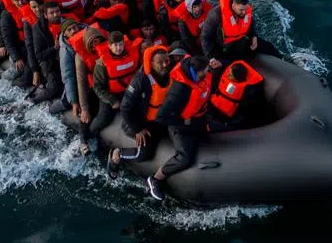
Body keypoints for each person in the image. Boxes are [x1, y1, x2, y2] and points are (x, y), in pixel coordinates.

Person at [146, 55, 213, 200]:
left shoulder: (201, 74)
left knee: (212, 131)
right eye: (206, 69)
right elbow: (161, 116)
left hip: (198, 119)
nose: (209, 71)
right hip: (181, 127)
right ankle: (155, 179)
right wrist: (184, 122)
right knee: (185, 158)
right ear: (198, 71)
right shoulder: (180, 90)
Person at [106, 44, 172, 178]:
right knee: (144, 154)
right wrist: (137, 129)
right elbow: (125, 107)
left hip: (157, 119)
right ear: (151, 63)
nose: (165, 65)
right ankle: (116, 154)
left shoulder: (168, 75)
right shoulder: (140, 80)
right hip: (137, 123)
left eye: (166, 61)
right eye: (160, 62)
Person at [84, 31, 142, 146]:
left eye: (120, 44)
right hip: (110, 94)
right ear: (109, 46)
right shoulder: (101, 64)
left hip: (129, 92)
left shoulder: (132, 54)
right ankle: (88, 135)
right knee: (104, 118)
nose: (118, 48)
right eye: (115, 45)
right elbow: (98, 87)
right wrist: (112, 100)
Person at [199, 0, 279, 64]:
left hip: (243, 39)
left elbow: (250, 22)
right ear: (233, 6)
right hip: (225, 47)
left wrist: (254, 36)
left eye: (245, 9)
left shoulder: (244, 10)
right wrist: (211, 57)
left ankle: (282, 58)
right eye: (241, 10)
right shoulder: (216, 15)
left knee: (269, 47)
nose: (244, 12)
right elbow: (205, 37)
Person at [70, 23, 108, 154]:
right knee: (86, 113)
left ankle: (90, 135)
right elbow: (81, 82)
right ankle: (83, 141)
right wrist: (84, 108)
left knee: (104, 116)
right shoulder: (80, 57)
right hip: (91, 87)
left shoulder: (108, 49)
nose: (95, 46)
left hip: (105, 88)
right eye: (92, 43)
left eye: (97, 42)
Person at [208, 60, 265, 131]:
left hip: (228, 116)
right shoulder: (229, 75)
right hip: (216, 106)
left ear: (238, 79)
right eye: (229, 72)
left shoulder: (247, 93)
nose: (227, 74)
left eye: (231, 75)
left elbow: (243, 111)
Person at [25, 2, 63, 104]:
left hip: (64, 58)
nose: (56, 15)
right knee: (54, 89)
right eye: (52, 13)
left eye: (57, 11)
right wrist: (54, 48)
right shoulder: (38, 29)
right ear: (45, 15)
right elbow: (39, 55)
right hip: (49, 61)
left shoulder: (67, 22)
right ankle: (32, 99)